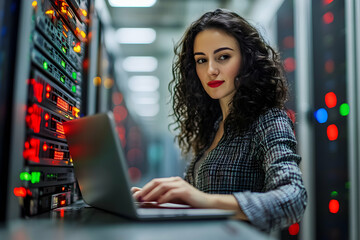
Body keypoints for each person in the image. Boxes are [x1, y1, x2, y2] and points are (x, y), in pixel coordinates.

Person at [132, 8, 307, 232]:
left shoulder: (268, 120)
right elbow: (198, 197)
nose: (211, 70)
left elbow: (293, 198)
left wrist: (204, 201)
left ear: (247, 59)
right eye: (201, 60)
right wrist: (155, 199)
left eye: (223, 57)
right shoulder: (213, 125)